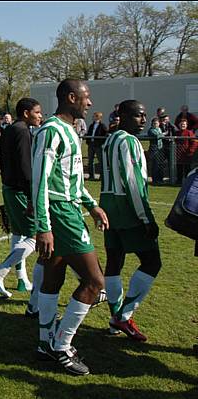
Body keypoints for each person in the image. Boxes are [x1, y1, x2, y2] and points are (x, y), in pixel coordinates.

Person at [32, 79, 109, 375]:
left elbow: (72, 179)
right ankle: (61, 345)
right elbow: (40, 181)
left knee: (54, 274)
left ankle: (43, 342)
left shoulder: (69, 130)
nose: (89, 104)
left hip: (67, 208)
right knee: (95, 282)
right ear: (71, 97)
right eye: (86, 98)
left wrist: (92, 205)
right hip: (60, 212)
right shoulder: (51, 130)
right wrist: (43, 226)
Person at [100, 99, 161, 342]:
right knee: (152, 261)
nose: (143, 120)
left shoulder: (109, 140)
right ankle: (123, 316)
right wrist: (145, 217)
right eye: (138, 115)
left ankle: (116, 317)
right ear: (123, 115)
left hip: (108, 206)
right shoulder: (129, 141)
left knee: (115, 261)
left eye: (145, 115)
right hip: (127, 208)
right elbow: (133, 181)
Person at [0, 98, 43, 298]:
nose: (40, 116)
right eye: (37, 112)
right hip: (19, 191)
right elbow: (25, 166)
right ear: (26, 113)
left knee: (19, 234)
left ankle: (21, 279)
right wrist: (30, 197)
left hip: (9, 188)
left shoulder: (10, 129)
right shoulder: (21, 131)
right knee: (36, 236)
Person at [85, 112, 107, 180]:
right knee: (90, 161)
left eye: (94, 116)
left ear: (98, 117)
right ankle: (91, 175)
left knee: (100, 161)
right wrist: (88, 141)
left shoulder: (102, 126)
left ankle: (102, 176)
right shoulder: (92, 125)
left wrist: (101, 142)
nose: (93, 117)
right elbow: (89, 133)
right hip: (91, 144)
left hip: (98, 145)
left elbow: (105, 134)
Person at [147, 117, 165, 184]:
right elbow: (157, 136)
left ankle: (160, 179)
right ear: (152, 124)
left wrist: (162, 134)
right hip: (154, 150)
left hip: (160, 149)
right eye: (154, 123)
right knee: (155, 165)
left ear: (159, 124)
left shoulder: (159, 129)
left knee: (160, 165)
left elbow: (161, 135)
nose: (155, 125)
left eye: (156, 123)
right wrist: (164, 134)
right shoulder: (151, 130)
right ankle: (155, 180)